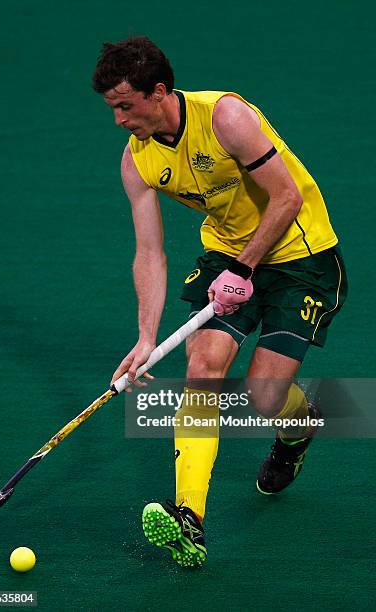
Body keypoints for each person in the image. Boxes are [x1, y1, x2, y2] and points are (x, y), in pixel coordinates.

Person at [92, 37, 348, 568]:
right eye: (112, 108)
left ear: (158, 92)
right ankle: (190, 518)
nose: (118, 120)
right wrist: (145, 337)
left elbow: (287, 197)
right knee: (203, 366)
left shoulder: (226, 117)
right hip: (229, 251)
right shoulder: (138, 160)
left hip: (301, 254)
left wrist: (244, 269)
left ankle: (300, 427)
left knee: (261, 395)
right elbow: (150, 253)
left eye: (125, 106)